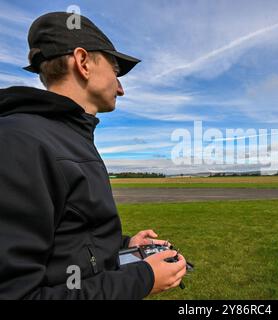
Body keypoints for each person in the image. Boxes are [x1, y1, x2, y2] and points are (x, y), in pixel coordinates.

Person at [0, 12, 186, 299]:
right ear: (83, 61)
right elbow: (17, 294)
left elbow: (67, 243)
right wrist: (142, 278)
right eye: (115, 70)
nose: (121, 88)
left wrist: (123, 246)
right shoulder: (18, 141)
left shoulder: (68, 138)